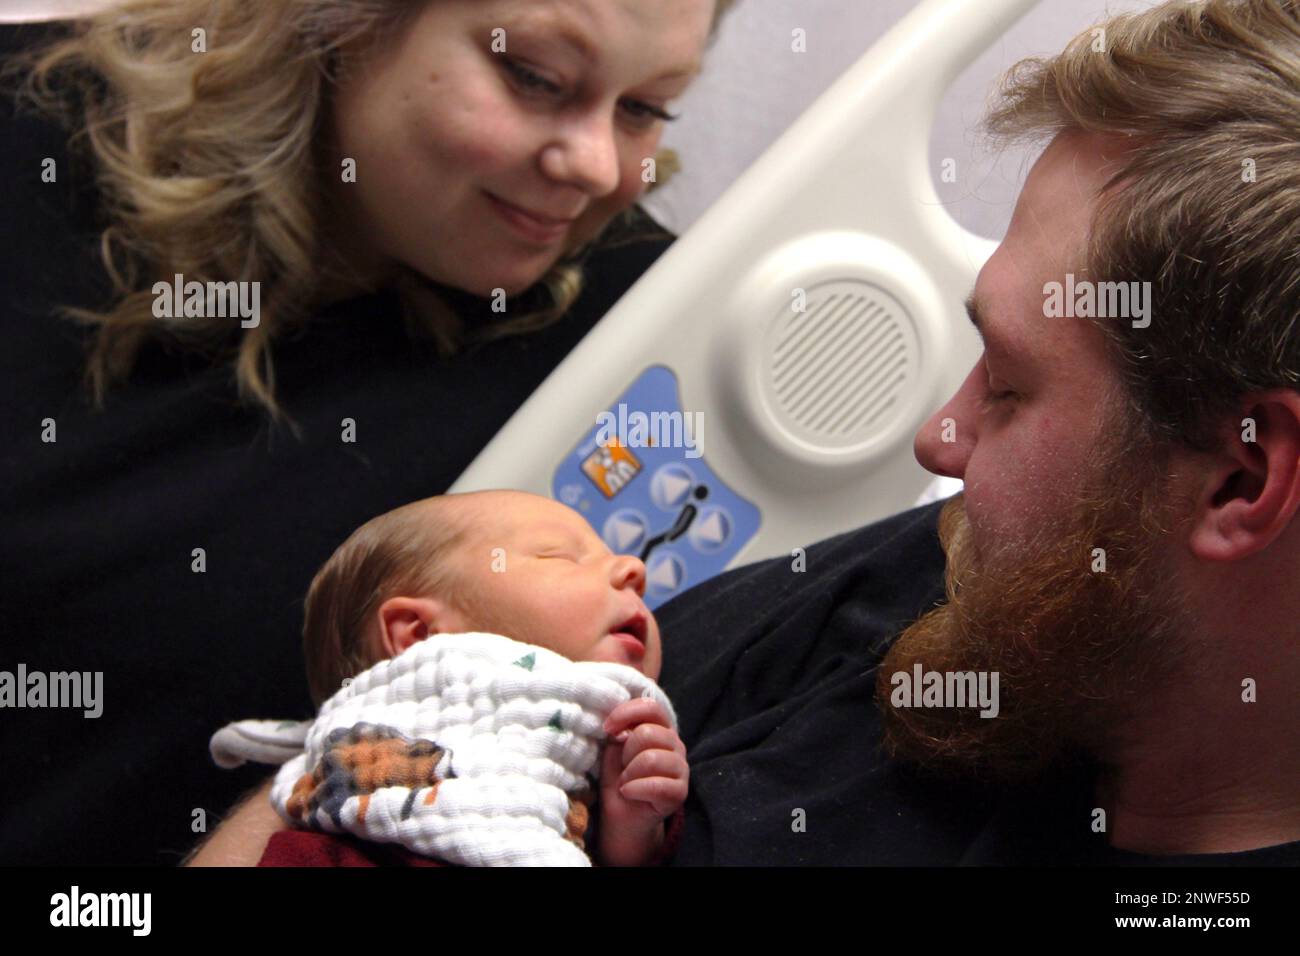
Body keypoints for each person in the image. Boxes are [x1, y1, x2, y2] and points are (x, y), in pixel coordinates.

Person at [191, 0, 1300, 866]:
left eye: (1007, 387)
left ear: (1240, 479)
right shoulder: (932, 590)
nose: (938, 443)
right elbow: (383, 757)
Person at [0, 0, 735, 865]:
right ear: (347, 20)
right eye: (533, 76)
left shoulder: (639, 353)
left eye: (645, 108)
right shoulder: (37, 137)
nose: (595, 164)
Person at [222, 489, 688, 866]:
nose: (634, 569)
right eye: (558, 556)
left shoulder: (605, 755)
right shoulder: (337, 821)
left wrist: (632, 831)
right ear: (419, 634)